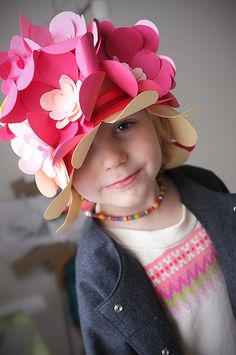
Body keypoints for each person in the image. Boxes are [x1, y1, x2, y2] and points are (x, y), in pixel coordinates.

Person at [0, 11, 235, 355]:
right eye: (83, 150)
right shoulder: (96, 274)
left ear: (155, 122)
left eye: (124, 126)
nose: (113, 159)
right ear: (62, 172)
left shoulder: (205, 185)